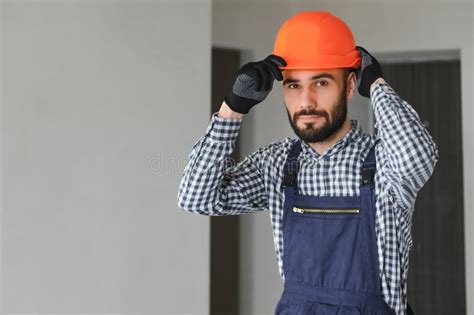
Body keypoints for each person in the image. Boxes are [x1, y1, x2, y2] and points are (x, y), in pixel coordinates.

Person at [177, 11, 438, 315]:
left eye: (322, 83)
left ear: (351, 86)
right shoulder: (276, 165)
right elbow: (196, 197)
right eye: (293, 86)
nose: (306, 101)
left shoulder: (385, 163)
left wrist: (377, 85)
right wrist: (232, 109)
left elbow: (417, 157)